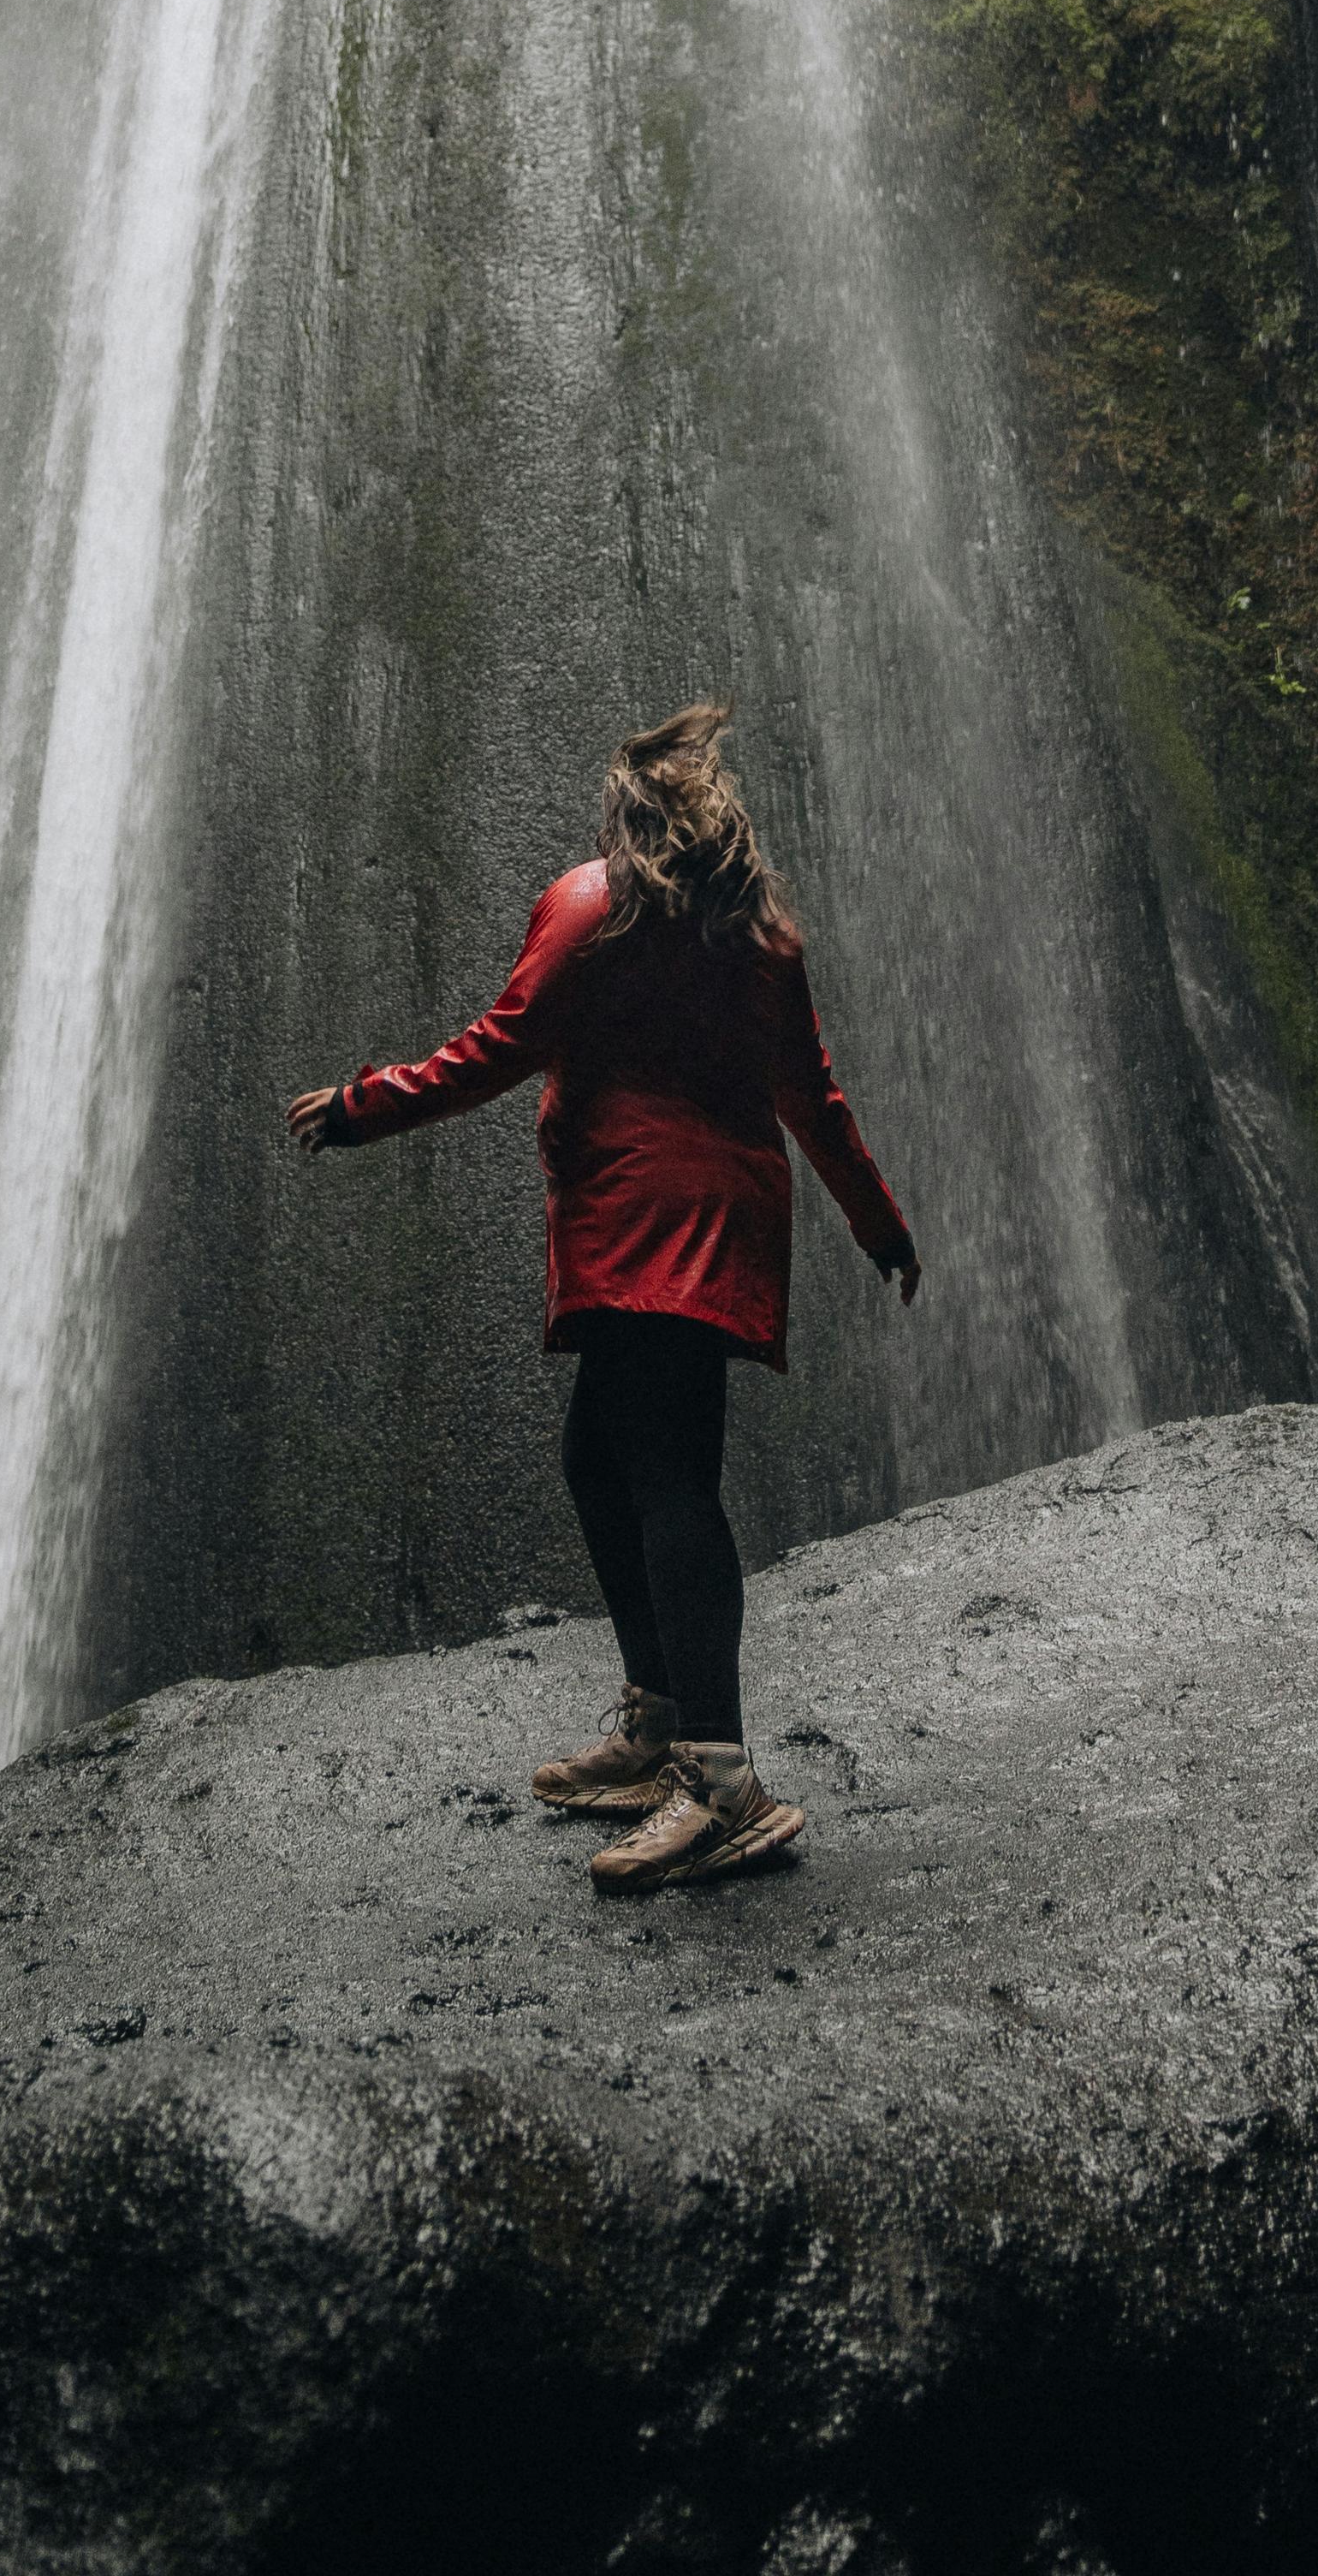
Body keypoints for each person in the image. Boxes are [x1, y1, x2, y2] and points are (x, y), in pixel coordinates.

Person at [288, 701, 919, 1889]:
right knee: (600, 1458)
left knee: (669, 1477)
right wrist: (877, 1225)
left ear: (627, 816)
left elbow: (496, 1045)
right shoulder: (761, 934)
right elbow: (813, 1099)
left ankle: (720, 1782)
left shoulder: (592, 908)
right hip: (719, 1217)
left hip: (646, 1225)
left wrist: (362, 1104)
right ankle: (661, 1722)